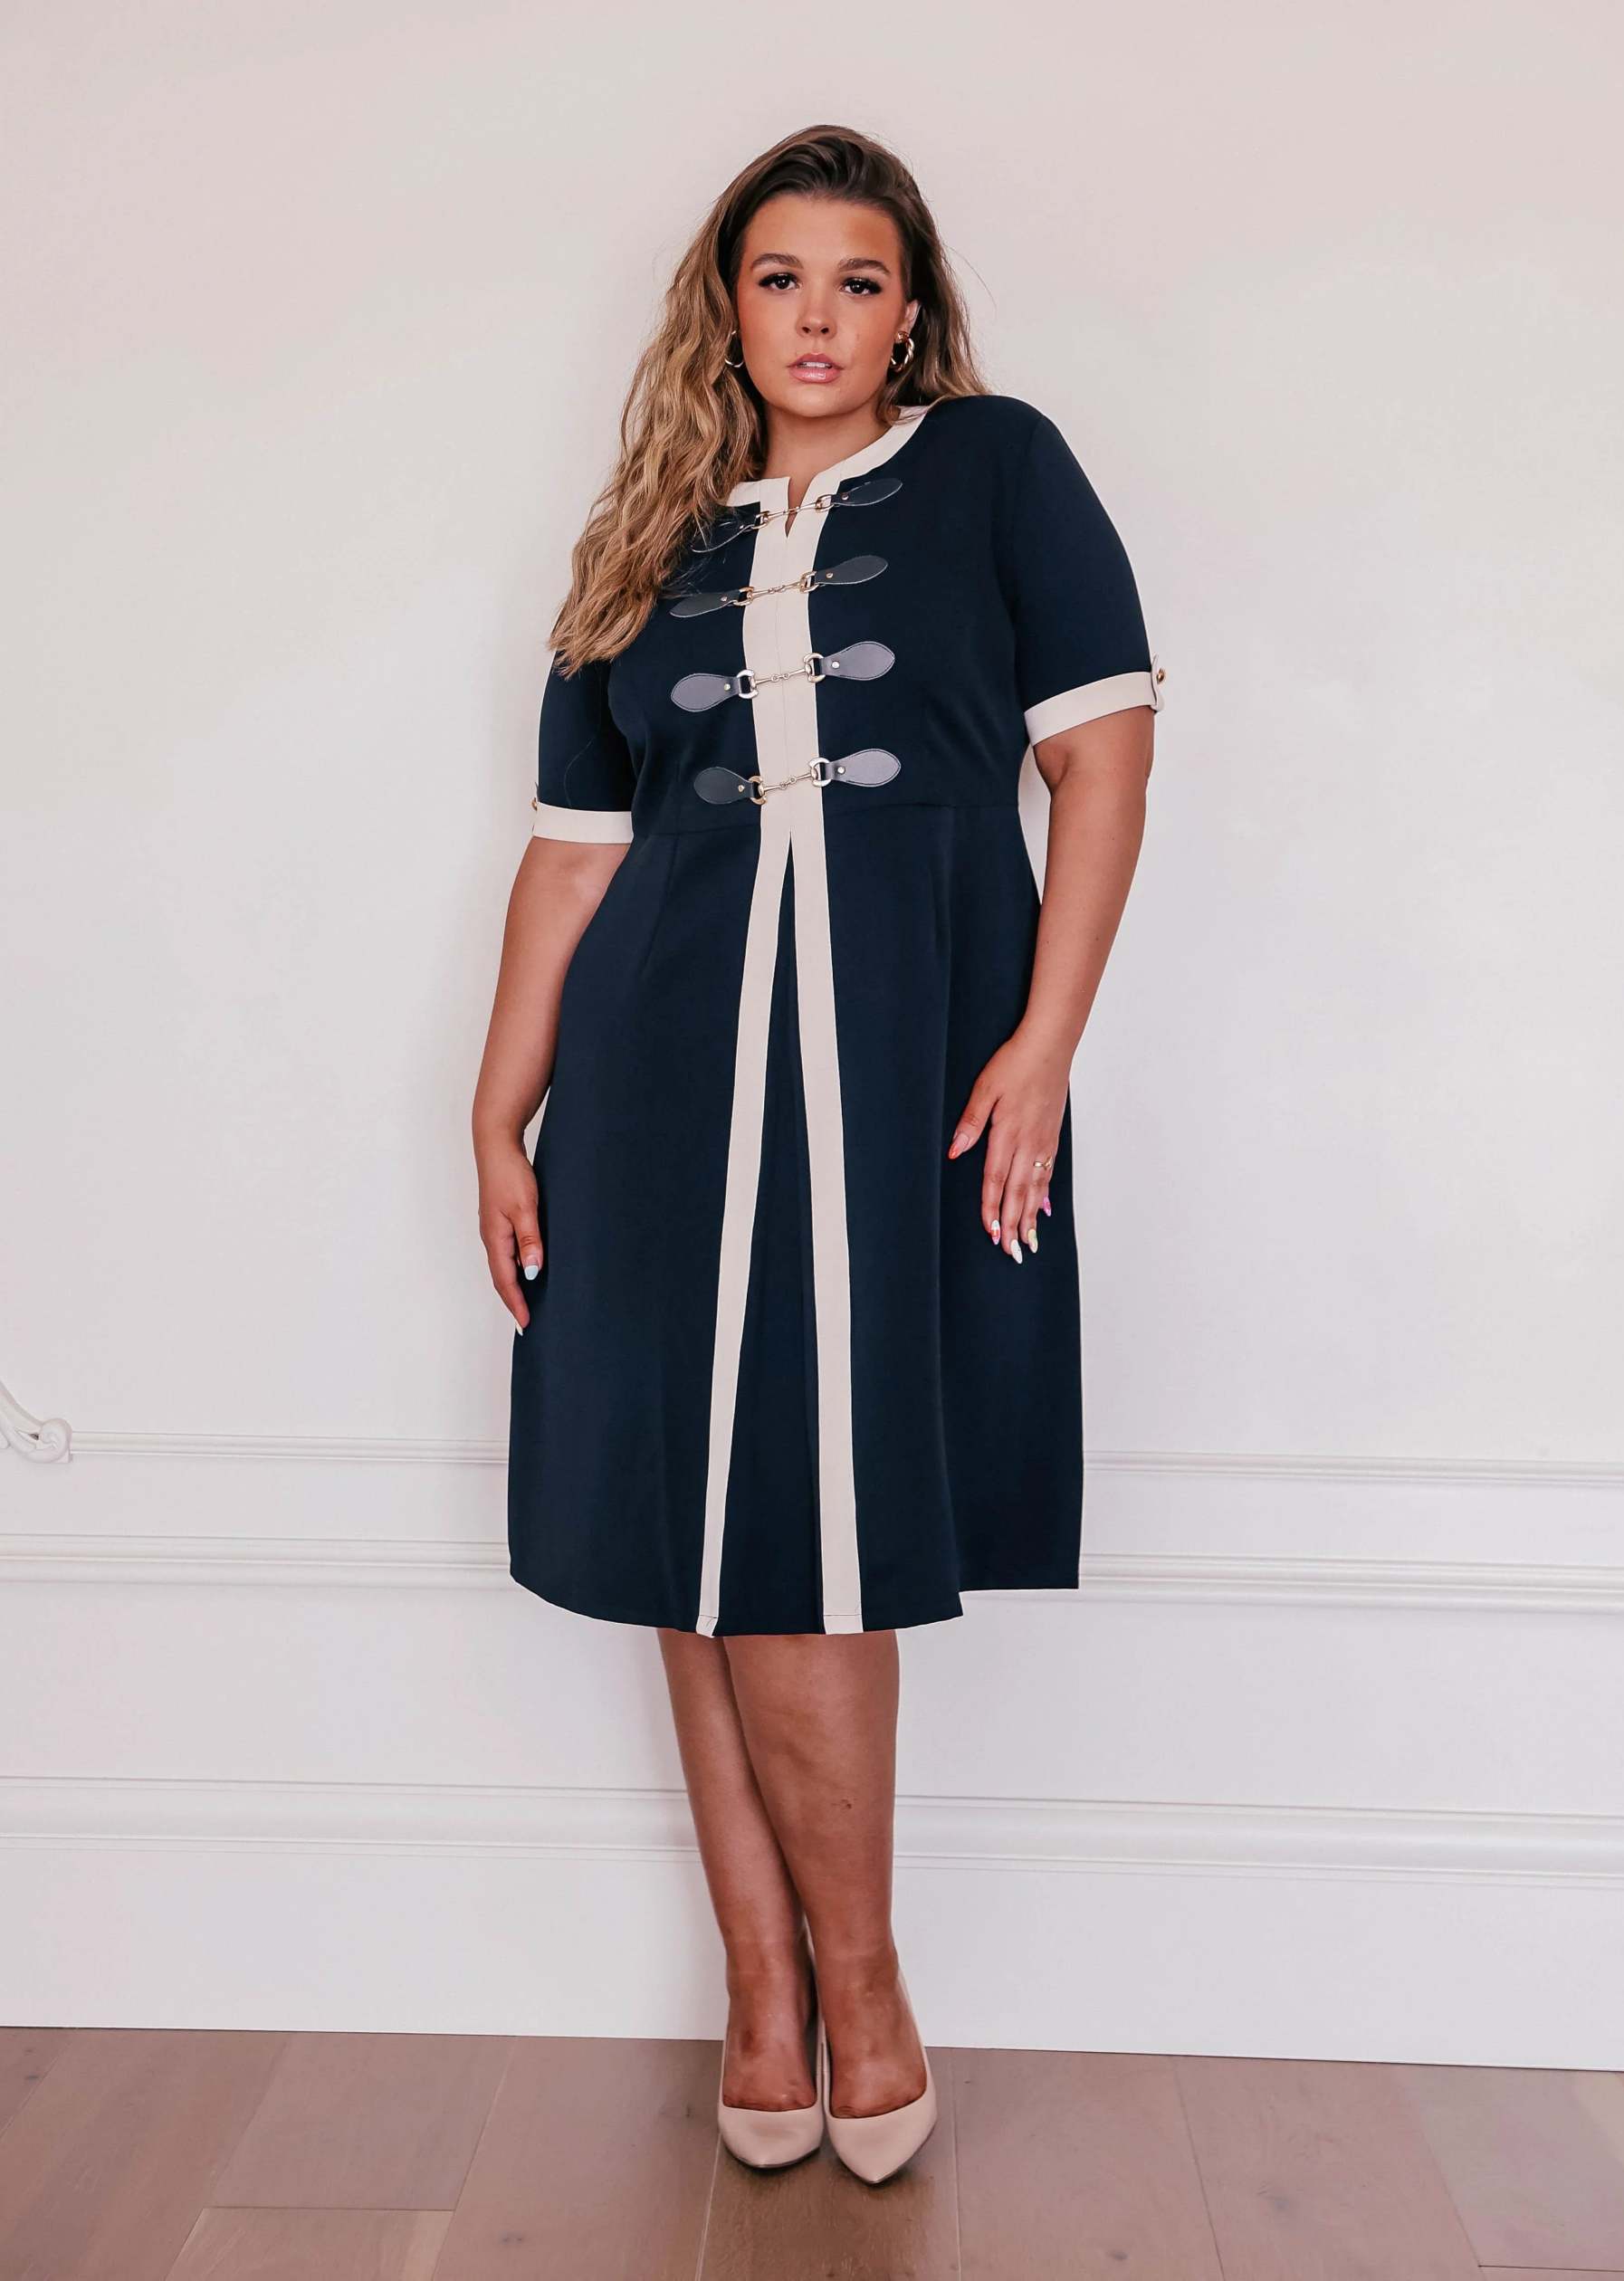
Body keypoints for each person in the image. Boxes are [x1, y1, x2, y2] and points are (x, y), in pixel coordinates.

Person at [471, 123, 1163, 2185]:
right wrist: (497, 1105)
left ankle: (867, 1983)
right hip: (659, 1068)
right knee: (688, 1529)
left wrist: (1044, 1042)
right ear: (728, 303)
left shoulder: (1001, 467)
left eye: (859, 281)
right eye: (780, 277)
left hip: (894, 1052)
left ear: (911, 309)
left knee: (811, 1520)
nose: (819, 318)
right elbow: (570, 859)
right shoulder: (646, 535)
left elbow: (1102, 758)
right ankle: (763, 1994)